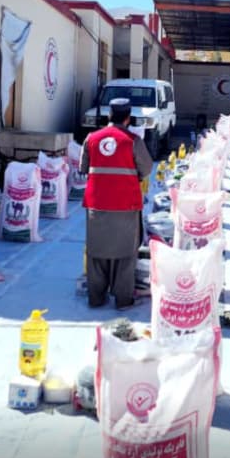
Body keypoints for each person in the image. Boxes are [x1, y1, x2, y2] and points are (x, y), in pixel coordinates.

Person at [80, 98, 153, 310]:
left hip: (96, 204)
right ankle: (123, 300)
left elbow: (84, 168)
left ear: (108, 116)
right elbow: (146, 169)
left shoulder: (91, 138)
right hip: (125, 204)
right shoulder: (133, 141)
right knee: (124, 253)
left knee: (96, 250)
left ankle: (96, 298)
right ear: (128, 118)